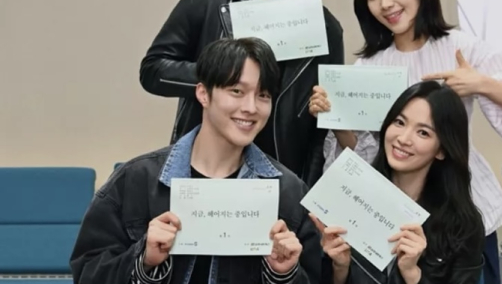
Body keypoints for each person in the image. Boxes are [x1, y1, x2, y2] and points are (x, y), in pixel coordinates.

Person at [309, 0, 502, 284]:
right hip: (394, 215)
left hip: (462, 208)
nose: (386, 3)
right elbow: (364, 157)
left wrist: (481, 83)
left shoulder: (459, 47)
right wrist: (335, 119)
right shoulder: (368, 65)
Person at [70, 37, 322, 284]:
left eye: (263, 95)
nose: (251, 107)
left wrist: (284, 275)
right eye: (236, 91)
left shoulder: (289, 192)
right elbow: (87, 272)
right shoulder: (136, 180)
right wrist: (143, 260)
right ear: (203, 93)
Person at [138, 0, 344, 187]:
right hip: (200, 176)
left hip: (277, 184)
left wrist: (304, 195)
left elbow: (319, 134)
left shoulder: (327, 30)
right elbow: (152, 71)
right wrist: (223, 79)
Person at [311, 81, 485, 284]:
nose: (403, 138)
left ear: (441, 150)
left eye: (423, 132)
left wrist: (412, 274)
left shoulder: (462, 225)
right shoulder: (351, 196)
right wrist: (340, 268)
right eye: (400, 122)